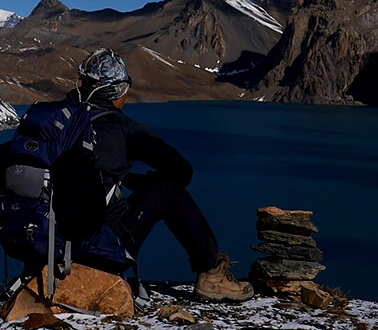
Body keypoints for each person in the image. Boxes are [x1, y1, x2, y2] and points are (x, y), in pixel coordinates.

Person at [72, 48, 253, 302]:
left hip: (45, 245)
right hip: (97, 249)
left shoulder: (55, 119)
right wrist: (144, 184)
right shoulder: (121, 128)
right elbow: (181, 170)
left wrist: (123, 178)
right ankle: (211, 274)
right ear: (117, 90)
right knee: (169, 189)